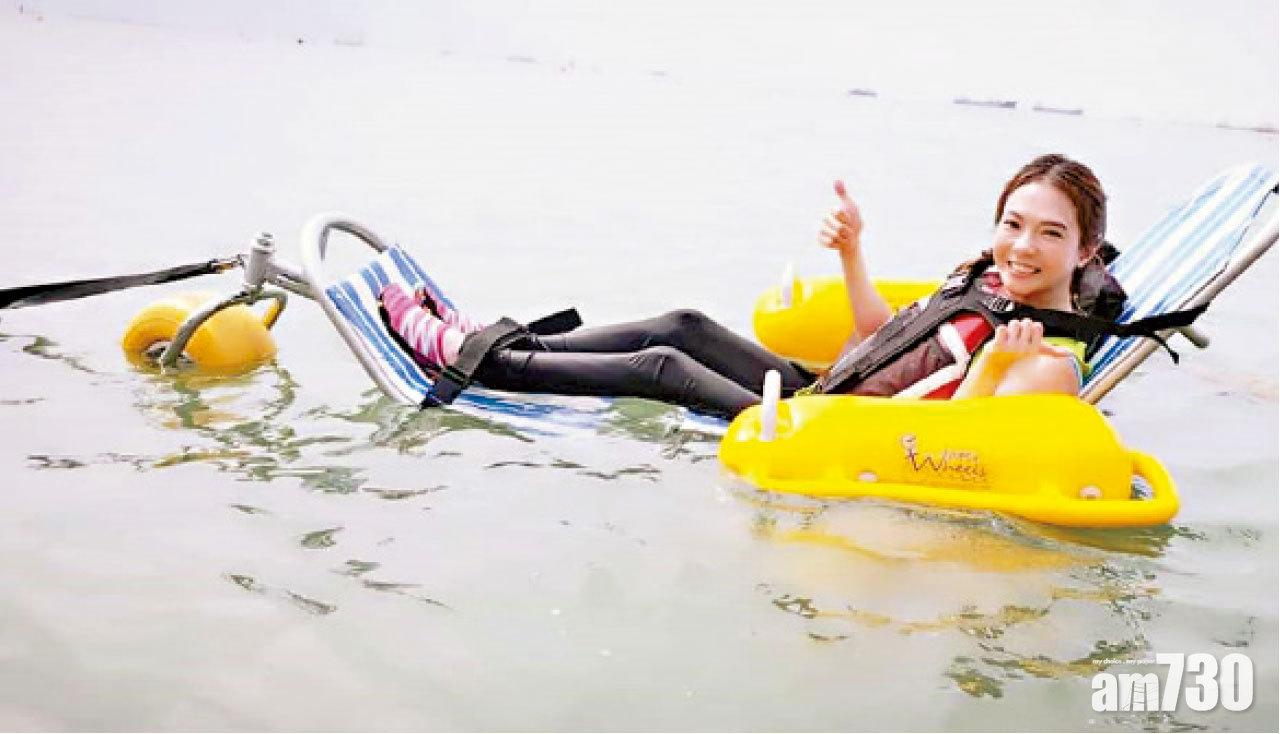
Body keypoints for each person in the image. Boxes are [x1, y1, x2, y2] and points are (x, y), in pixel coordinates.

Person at [379, 154, 1107, 419]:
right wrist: (853, 251)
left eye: (1050, 234)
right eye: (1013, 224)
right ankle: (496, 341)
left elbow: (957, 454)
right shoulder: (988, 283)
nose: (1022, 246)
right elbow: (883, 338)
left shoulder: (1043, 358)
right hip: (827, 390)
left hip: (825, 430)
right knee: (684, 324)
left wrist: (996, 368)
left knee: (661, 367)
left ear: (1085, 252)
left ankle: (470, 359)